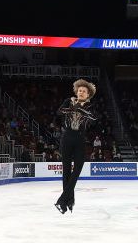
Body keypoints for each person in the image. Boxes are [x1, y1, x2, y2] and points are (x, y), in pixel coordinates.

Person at [54, 79, 98, 214]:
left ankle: (63, 199)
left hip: (80, 138)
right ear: (76, 91)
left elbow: (94, 119)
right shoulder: (69, 101)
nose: (81, 93)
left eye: (84, 91)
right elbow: (59, 112)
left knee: (78, 167)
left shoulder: (90, 106)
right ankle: (68, 201)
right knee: (66, 170)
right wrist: (73, 107)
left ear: (88, 94)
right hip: (67, 137)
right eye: (80, 90)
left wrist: (80, 109)